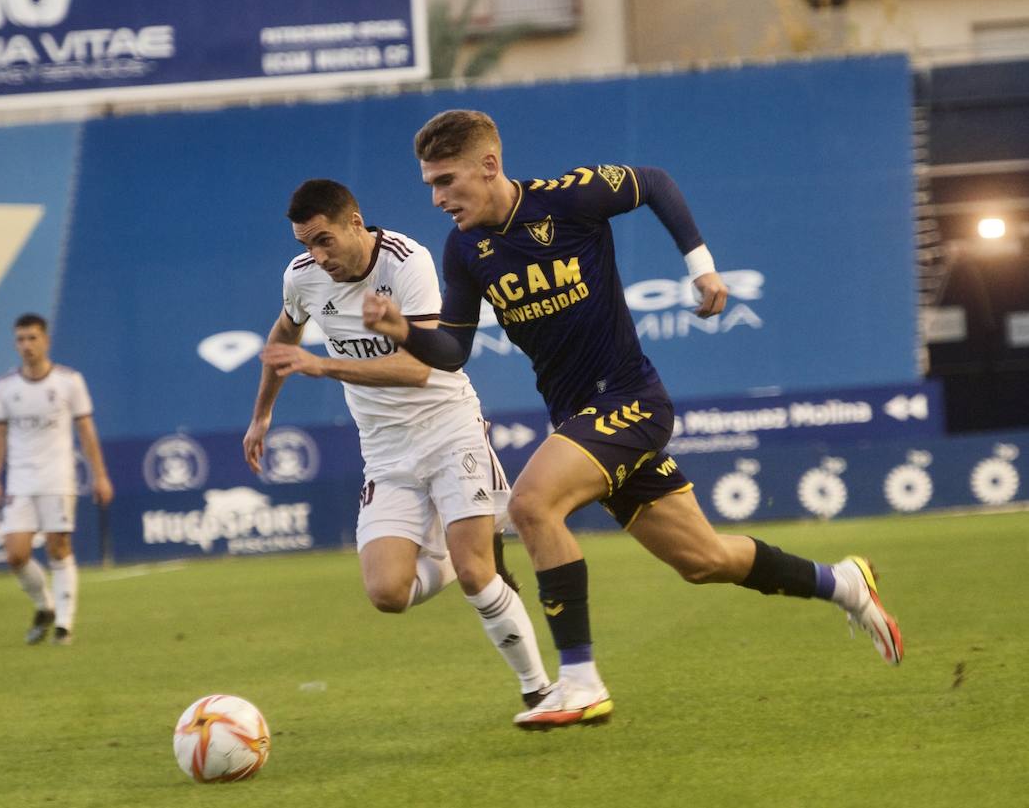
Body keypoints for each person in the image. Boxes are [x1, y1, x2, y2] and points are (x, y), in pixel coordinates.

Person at [363, 110, 904, 729]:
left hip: (630, 401)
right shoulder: (465, 250)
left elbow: (653, 182)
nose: (436, 198)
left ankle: (580, 681)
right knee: (704, 561)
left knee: (533, 504)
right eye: (429, 184)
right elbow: (453, 351)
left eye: (446, 180)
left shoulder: (567, 201)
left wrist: (700, 263)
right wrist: (404, 330)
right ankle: (841, 582)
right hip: (582, 418)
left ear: (489, 166)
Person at [244, 178, 559, 728]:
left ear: (354, 221)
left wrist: (325, 366)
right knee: (388, 593)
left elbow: (421, 369)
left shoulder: (404, 260)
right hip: (386, 453)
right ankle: (454, 550)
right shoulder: (302, 278)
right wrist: (262, 414)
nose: (317, 257)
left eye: (324, 241)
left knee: (476, 575)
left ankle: (539, 691)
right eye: (304, 246)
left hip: (448, 429)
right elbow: (283, 335)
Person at [0, 313, 113, 645]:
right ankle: (45, 605)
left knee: (59, 547)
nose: (26, 345)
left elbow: (86, 431)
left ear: (46, 340)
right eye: (20, 339)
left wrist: (100, 475)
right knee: (15, 554)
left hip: (58, 475)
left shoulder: (69, 381)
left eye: (32, 338)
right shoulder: (5, 386)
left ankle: (64, 626)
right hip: (20, 480)